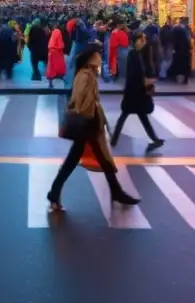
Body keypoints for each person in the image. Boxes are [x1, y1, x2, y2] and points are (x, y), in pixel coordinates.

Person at [47, 46, 139, 212]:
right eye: (97, 55)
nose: (100, 58)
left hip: (89, 124)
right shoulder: (85, 76)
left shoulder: (89, 74)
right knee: (96, 159)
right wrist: (90, 111)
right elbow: (79, 99)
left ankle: (115, 191)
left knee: (89, 160)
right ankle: (116, 192)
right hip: (87, 124)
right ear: (90, 58)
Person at [110, 31, 164, 152]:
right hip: (133, 92)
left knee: (136, 116)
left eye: (143, 39)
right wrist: (144, 83)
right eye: (140, 40)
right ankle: (114, 140)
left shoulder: (138, 53)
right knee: (127, 116)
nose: (143, 41)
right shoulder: (132, 54)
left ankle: (154, 139)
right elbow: (132, 74)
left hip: (136, 92)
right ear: (135, 41)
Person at [45, 23, 67, 89]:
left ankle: (50, 83)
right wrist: (62, 46)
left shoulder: (53, 32)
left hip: (51, 51)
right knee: (60, 66)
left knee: (51, 67)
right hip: (57, 51)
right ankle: (61, 78)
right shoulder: (58, 31)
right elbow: (60, 44)